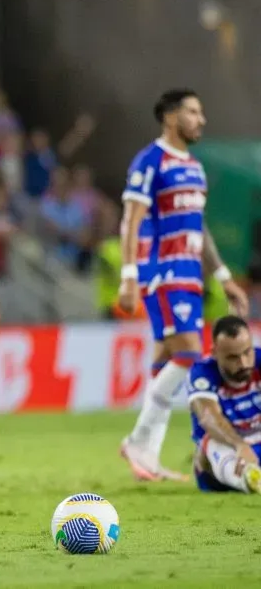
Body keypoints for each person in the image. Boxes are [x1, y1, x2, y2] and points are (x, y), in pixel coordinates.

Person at [117, 89, 249, 482]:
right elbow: (132, 219)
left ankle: (148, 454)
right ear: (171, 117)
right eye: (194, 112)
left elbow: (199, 225)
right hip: (163, 272)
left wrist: (223, 276)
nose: (201, 119)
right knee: (190, 352)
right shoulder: (150, 161)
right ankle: (138, 440)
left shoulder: (194, 166)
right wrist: (128, 275)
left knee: (164, 360)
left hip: (191, 273)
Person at [187, 315, 261, 493]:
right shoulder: (202, 373)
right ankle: (249, 480)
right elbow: (208, 417)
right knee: (211, 442)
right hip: (223, 454)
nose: (243, 363)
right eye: (233, 357)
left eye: (247, 353)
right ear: (215, 352)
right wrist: (240, 445)